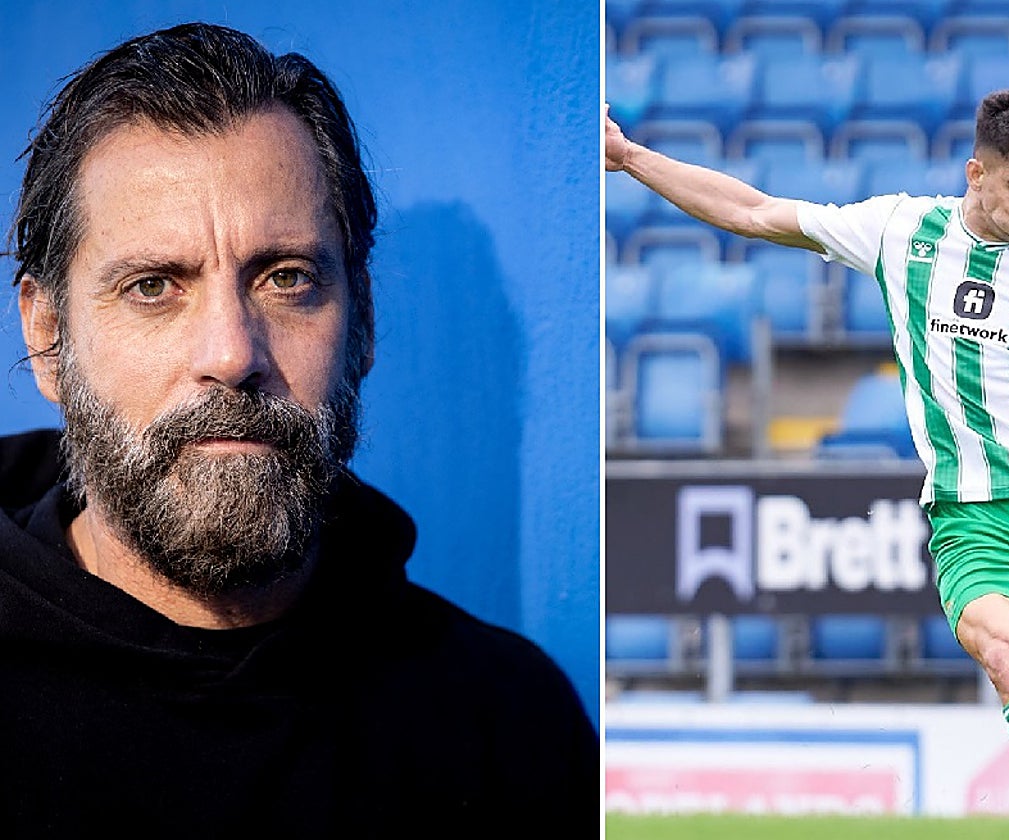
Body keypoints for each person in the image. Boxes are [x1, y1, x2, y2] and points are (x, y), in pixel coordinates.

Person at [0, 22, 598, 835]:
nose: (231, 354)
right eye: (152, 286)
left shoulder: (511, 727)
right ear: (46, 337)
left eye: (287, 278)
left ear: (364, 319)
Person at [606, 88, 1009, 821]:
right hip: (976, 517)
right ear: (975, 173)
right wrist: (630, 159)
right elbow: (754, 212)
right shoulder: (899, 230)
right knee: (1008, 656)